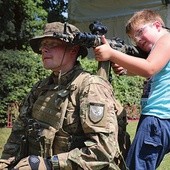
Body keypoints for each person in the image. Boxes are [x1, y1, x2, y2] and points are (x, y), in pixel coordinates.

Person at [0, 22, 127, 170]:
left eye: (52, 44)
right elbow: (18, 133)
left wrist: (49, 164)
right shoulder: (40, 88)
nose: (44, 49)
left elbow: (104, 151)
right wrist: (5, 163)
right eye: (43, 45)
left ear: (73, 49)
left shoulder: (91, 87)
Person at [94, 9, 170, 170]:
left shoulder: (166, 39)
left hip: (157, 118)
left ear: (157, 25)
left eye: (141, 32)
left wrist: (112, 54)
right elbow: (158, 73)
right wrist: (127, 70)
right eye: (134, 38)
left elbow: (149, 68)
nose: (138, 40)